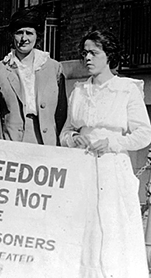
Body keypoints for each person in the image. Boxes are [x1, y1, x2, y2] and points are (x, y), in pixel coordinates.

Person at [60, 29, 151, 277]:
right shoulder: (78, 91)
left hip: (113, 168)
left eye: (94, 52)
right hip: (83, 168)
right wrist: (73, 138)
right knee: (86, 229)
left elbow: (143, 134)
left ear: (108, 55)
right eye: (85, 53)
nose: (87, 58)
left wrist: (111, 142)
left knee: (113, 227)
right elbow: (65, 131)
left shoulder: (125, 89)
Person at [0, 7, 67, 145]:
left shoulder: (54, 68)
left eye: (29, 33)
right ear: (12, 35)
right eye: (19, 33)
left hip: (46, 140)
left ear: (37, 35)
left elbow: (61, 113)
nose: (24, 38)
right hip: (12, 140)